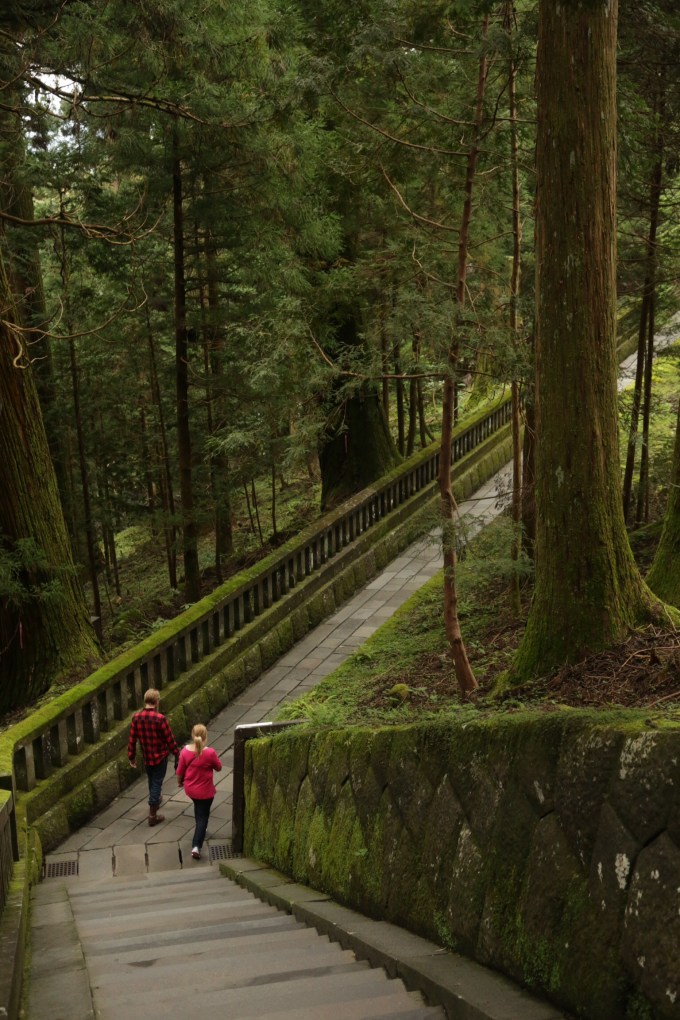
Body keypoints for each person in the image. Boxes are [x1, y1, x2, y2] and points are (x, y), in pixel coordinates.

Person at [128, 688, 180, 826]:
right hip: (160, 756)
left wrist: (131, 757)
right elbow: (170, 739)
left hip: (147, 756)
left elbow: (132, 740)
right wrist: (176, 753)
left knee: (151, 780)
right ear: (156, 702)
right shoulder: (160, 719)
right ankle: (152, 815)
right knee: (157, 782)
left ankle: (155, 799)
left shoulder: (136, 718)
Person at [176, 724, 222, 860]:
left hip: (191, 789)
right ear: (206, 736)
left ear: (192, 735)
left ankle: (201, 829)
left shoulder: (184, 751)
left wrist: (179, 782)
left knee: (198, 808)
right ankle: (196, 845)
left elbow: (180, 771)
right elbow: (218, 767)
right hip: (205, 791)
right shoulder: (210, 753)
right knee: (203, 816)